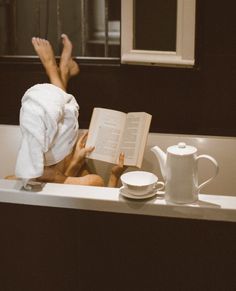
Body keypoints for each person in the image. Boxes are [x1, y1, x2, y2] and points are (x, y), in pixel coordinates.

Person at [6, 34, 126, 187]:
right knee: (60, 113)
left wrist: (63, 171)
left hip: (62, 164)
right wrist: (112, 175)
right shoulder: (91, 181)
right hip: (69, 168)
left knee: (58, 112)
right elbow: (102, 204)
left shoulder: (14, 182)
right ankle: (60, 71)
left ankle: (57, 70)